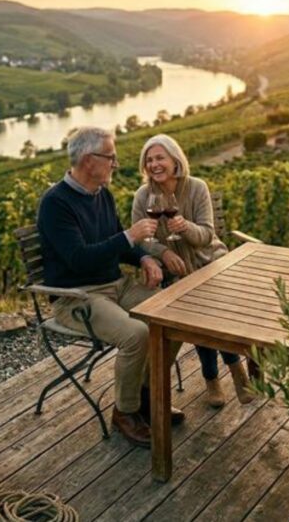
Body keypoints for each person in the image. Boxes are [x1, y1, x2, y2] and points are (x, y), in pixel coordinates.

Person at [37, 126, 184, 449]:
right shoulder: (55, 204)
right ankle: (125, 412)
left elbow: (119, 241)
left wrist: (144, 258)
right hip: (77, 296)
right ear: (89, 161)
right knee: (137, 334)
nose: (116, 164)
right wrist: (130, 237)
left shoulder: (102, 193)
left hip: (115, 284)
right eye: (111, 157)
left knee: (174, 316)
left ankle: (147, 396)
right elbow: (78, 259)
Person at [132, 134, 253, 408]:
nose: (154, 164)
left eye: (160, 157)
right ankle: (212, 378)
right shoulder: (143, 195)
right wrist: (163, 252)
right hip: (175, 273)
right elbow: (140, 242)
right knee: (194, 311)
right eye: (149, 160)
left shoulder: (197, 187)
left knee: (212, 307)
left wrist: (185, 227)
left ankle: (235, 368)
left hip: (209, 263)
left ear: (175, 159)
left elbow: (207, 236)